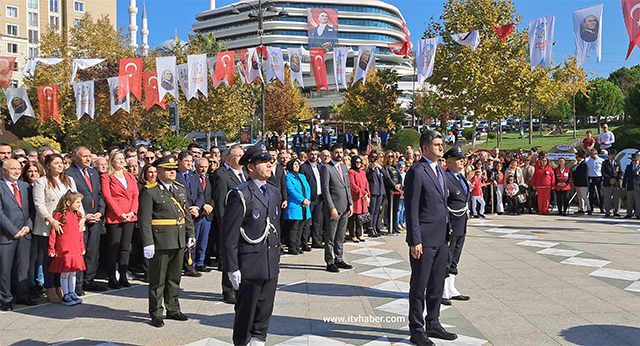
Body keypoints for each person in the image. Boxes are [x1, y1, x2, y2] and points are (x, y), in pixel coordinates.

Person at [221, 143, 281, 346]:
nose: (269, 165)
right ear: (250, 167)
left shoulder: (273, 191)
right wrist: (232, 268)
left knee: (264, 312)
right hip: (249, 264)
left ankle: (258, 342)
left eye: (269, 161)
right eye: (263, 162)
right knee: (246, 314)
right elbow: (229, 236)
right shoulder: (240, 195)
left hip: (269, 262)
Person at [405, 130, 457, 346]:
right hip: (424, 240)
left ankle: (433, 322)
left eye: (441, 144)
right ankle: (416, 329)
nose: (440, 148)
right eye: (436, 145)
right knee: (419, 286)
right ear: (424, 148)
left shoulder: (440, 170)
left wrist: (447, 233)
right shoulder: (417, 171)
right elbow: (412, 209)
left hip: (441, 238)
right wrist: (415, 240)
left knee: (436, 284)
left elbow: (442, 205)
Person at [139, 155, 196, 328]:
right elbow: (144, 220)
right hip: (160, 240)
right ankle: (156, 312)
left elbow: (185, 213)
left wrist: (190, 233)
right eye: (168, 169)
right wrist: (148, 242)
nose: (172, 172)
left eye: (174, 169)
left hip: (178, 239)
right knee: (158, 280)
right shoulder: (150, 191)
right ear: (159, 171)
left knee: (174, 277)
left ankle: (173, 308)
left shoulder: (180, 189)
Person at [33, 153, 80, 303]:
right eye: (56, 163)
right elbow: (39, 204)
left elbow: (76, 200)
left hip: (67, 227)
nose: (60, 165)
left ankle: (62, 287)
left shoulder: (69, 180)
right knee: (50, 258)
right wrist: (51, 219)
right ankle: (50, 287)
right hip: (48, 226)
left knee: (63, 259)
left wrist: (82, 217)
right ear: (48, 165)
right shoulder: (42, 182)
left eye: (62, 163)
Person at [65, 147, 106, 294]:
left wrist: (100, 212)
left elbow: (99, 194)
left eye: (89, 156)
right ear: (76, 158)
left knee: (93, 251)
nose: (88, 159)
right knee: (79, 251)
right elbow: (68, 199)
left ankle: (90, 279)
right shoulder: (69, 174)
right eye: (84, 156)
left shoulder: (93, 172)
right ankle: (79, 283)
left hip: (95, 218)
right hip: (79, 219)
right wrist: (84, 215)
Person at [0, 159, 36, 310]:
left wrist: (28, 226)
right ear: (3, 170)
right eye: (12, 169)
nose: (16, 171)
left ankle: (23, 295)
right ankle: (5, 298)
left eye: (18, 169)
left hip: (25, 233)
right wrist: (14, 230)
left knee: (23, 266)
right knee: (5, 269)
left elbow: (33, 210)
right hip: (7, 235)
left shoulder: (25, 186)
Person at [100, 150, 139, 289]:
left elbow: (135, 195)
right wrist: (120, 213)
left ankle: (123, 274)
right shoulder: (106, 177)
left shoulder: (130, 176)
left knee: (125, 247)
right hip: (115, 216)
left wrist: (132, 212)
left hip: (130, 215)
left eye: (123, 158)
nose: (122, 161)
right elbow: (107, 197)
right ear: (112, 161)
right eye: (118, 159)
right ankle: (112, 276)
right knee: (113, 247)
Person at [212, 145, 245, 304]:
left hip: (246, 225)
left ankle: (241, 287)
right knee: (230, 257)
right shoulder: (223, 177)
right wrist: (227, 226)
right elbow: (220, 205)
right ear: (229, 159)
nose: (241, 158)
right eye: (237, 155)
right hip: (231, 225)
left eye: (242, 155)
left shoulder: (246, 175)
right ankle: (228, 290)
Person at [441, 148, 470, 306]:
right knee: (447, 258)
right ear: (449, 161)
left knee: (455, 258)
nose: (462, 161)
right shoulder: (445, 178)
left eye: (463, 158)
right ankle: (442, 289)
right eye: (458, 159)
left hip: (461, 223)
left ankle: (451, 288)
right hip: (451, 225)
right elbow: (443, 204)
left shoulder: (460, 177)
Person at [48, 192, 86, 306]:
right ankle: (65, 294)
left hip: (75, 248)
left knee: (73, 272)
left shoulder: (78, 215)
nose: (80, 205)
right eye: (77, 202)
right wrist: (51, 248)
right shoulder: (60, 215)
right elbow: (53, 233)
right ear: (68, 203)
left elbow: (80, 233)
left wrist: (81, 246)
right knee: (65, 273)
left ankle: (72, 292)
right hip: (63, 248)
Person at [321, 144, 354, 273]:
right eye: (336, 152)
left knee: (340, 236)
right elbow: (326, 189)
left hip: (345, 206)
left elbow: (347, 186)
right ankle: (330, 261)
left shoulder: (344, 167)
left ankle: (338, 258)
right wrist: (331, 208)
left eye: (341, 152)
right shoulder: (326, 168)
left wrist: (350, 203)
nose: (339, 154)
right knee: (331, 236)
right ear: (332, 153)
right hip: (334, 208)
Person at [175, 151, 205, 277]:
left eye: (191, 161)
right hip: (181, 212)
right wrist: (187, 209)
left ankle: (190, 266)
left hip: (194, 213)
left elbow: (200, 194)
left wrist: (197, 207)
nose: (189, 163)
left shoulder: (194, 176)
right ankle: (178, 265)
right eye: (186, 161)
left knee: (192, 240)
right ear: (179, 161)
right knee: (180, 240)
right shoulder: (175, 176)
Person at [283, 159, 311, 255]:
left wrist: (306, 200)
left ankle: (298, 245)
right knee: (293, 228)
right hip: (295, 205)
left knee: (301, 227)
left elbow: (307, 188)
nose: (296, 166)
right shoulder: (288, 177)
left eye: (297, 164)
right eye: (294, 165)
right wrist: (302, 200)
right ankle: (292, 246)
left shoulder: (302, 176)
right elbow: (291, 190)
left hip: (304, 206)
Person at [299, 148, 324, 249]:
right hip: (309, 198)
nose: (314, 156)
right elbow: (302, 184)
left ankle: (316, 240)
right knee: (306, 221)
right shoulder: (304, 167)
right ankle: (304, 242)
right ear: (307, 155)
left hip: (319, 197)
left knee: (318, 220)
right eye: (312, 154)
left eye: (315, 154)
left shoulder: (320, 167)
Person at [193, 158, 214, 272]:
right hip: (197, 213)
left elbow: (215, 194)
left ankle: (200, 262)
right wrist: (201, 207)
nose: (203, 169)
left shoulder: (210, 178)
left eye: (205, 167)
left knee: (204, 240)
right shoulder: (192, 178)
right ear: (196, 166)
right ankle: (191, 263)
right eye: (201, 166)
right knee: (194, 240)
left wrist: (210, 205)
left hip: (208, 214)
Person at [348, 155, 370, 243]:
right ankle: (352, 234)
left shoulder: (362, 172)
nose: (358, 164)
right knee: (353, 217)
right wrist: (362, 192)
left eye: (360, 162)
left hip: (362, 198)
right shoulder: (351, 172)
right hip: (355, 197)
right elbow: (352, 185)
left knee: (360, 217)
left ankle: (359, 234)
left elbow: (366, 183)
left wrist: (367, 192)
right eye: (356, 162)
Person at [366, 150, 385, 238]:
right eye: (373, 157)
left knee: (377, 211)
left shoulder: (379, 167)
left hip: (380, 191)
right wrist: (373, 168)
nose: (375, 158)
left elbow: (386, 176)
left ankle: (374, 227)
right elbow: (368, 177)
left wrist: (380, 167)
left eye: (376, 157)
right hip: (373, 191)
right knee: (372, 211)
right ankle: (370, 227)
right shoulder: (370, 167)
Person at [383, 151, 402, 235]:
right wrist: (395, 185)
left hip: (397, 190)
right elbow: (387, 178)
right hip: (391, 189)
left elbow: (399, 177)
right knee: (391, 208)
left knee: (396, 208)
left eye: (392, 156)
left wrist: (400, 184)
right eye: (389, 156)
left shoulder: (395, 167)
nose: (390, 158)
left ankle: (394, 225)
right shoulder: (385, 167)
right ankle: (390, 226)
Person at [602, 149, 622, 217]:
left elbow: (620, 173)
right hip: (607, 182)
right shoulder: (605, 163)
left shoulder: (617, 163)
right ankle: (607, 211)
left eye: (614, 155)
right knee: (607, 198)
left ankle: (616, 211)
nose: (613, 156)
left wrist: (615, 179)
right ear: (609, 156)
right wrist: (610, 179)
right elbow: (603, 173)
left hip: (616, 183)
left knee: (617, 198)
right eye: (612, 155)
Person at [586, 148, 604, 214]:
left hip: (599, 178)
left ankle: (602, 207)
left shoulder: (601, 161)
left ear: (596, 153)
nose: (591, 155)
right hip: (591, 178)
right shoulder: (588, 161)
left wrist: (603, 179)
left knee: (600, 193)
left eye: (592, 154)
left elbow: (603, 171)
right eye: (590, 154)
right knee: (591, 194)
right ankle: (591, 208)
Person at [623, 154, 640, 219]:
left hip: (638, 187)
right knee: (629, 201)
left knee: (638, 202)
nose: (634, 162)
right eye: (633, 160)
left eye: (636, 160)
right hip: (630, 186)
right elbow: (625, 177)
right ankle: (629, 214)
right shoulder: (629, 167)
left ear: (639, 161)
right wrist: (624, 185)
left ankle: (638, 214)